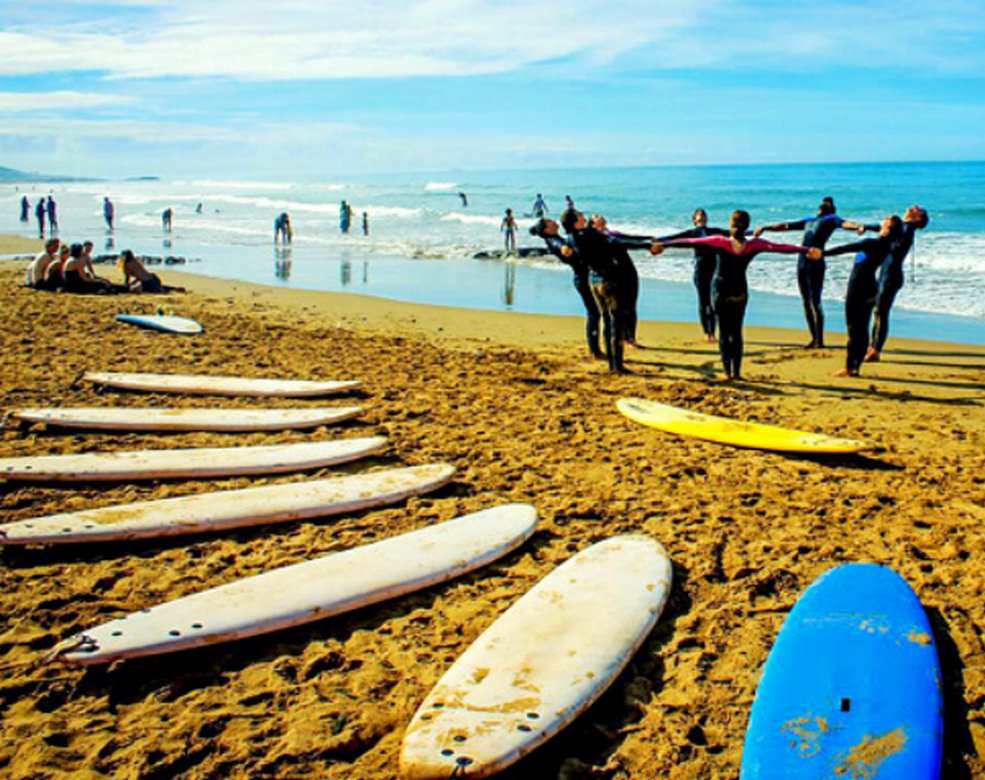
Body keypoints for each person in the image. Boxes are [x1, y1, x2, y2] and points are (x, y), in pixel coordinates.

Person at [652, 210, 820, 381]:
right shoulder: (754, 245)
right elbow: (780, 247)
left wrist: (664, 244)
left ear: (730, 225)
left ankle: (727, 374)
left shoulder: (719, 241)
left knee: (724, 333)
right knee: (737, 332)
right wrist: (807, 249)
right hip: (740, 292)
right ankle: (737, 373)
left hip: (721, 292)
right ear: (746, 226)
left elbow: (690, 241)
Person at [754, 197, 867, 349]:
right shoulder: (809, 220)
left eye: (828, 203)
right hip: (801, 262)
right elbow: (785, 226)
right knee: (806, 301)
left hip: (816, 262)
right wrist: (765, 227)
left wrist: (858, 227)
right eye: (823, 202)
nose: (824, 204)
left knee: (815, 301)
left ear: (832, 208)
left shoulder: (832, 219)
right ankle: (814, 338)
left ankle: (820, 340)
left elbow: (845, 224)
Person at [561, 208, 657, 373]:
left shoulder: (571, 238)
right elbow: (616, 243)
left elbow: (568, 246)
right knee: (616, 323)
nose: (583, 215)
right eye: (579, 215)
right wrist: (647, 246)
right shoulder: (589, 235)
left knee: (607, 320)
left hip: (594, 281)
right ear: (576, 221)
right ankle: (617, 366)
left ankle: (613, 364)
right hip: (608, 282)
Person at [823, 216, 904, 377]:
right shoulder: (887, 244)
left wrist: (822, 253)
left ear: (887, 229)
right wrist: (864, 227)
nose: (882, 222)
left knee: (854, 329)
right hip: (870, 288)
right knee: (861, 329)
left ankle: (849, 368)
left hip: (858, 288)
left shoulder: (871, 244)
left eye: (885, 222)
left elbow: (845, 248)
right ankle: (855, 366)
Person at [530, 217, 603, 359]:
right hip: (582, 280)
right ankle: (594, 350)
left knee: (595, 312)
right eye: (550, 222)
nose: (553, 221)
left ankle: (595, 349)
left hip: (584, 277)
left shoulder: (556, 236)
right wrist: (564, 248)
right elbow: (558, 245)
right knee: (594, 313)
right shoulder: (552, 240)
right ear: (546, 229)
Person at [658, 209, 734, 342]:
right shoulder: (692, 233)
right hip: (700, 271)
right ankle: (709, 332)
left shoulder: (714, 231)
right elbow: (675, 238)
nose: (702, 221)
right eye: (699, 219)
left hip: (715, 271)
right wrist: (658, 241)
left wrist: (754, 232)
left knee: (715, 302)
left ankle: (713, 330)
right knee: (704, 302)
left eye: (704, 218)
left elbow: (733, 234)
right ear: (694, 221)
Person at [867, 205, 929, 361]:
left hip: (891, 276)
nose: (914, 207)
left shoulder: (908, 228)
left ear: (918, 218)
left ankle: (875, 350)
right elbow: (883, 228)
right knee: (878, 312)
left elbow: (895, 244)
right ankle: (872, 346)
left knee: (881, 312)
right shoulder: (903, 226)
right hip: (886, 274)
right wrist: (864, 227)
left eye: (918, 209)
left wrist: (882, 239)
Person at [590, 214, 644, 345]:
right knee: (616, 309)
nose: (599, 216)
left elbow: (631, 240)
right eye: (596, 216)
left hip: (629, 272)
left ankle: (630, 337)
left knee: (631, 306)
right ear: (592, 224)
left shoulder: (612, 234)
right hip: (613, 276)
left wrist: (650, 240)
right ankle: (615, 339)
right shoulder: (595, 239)